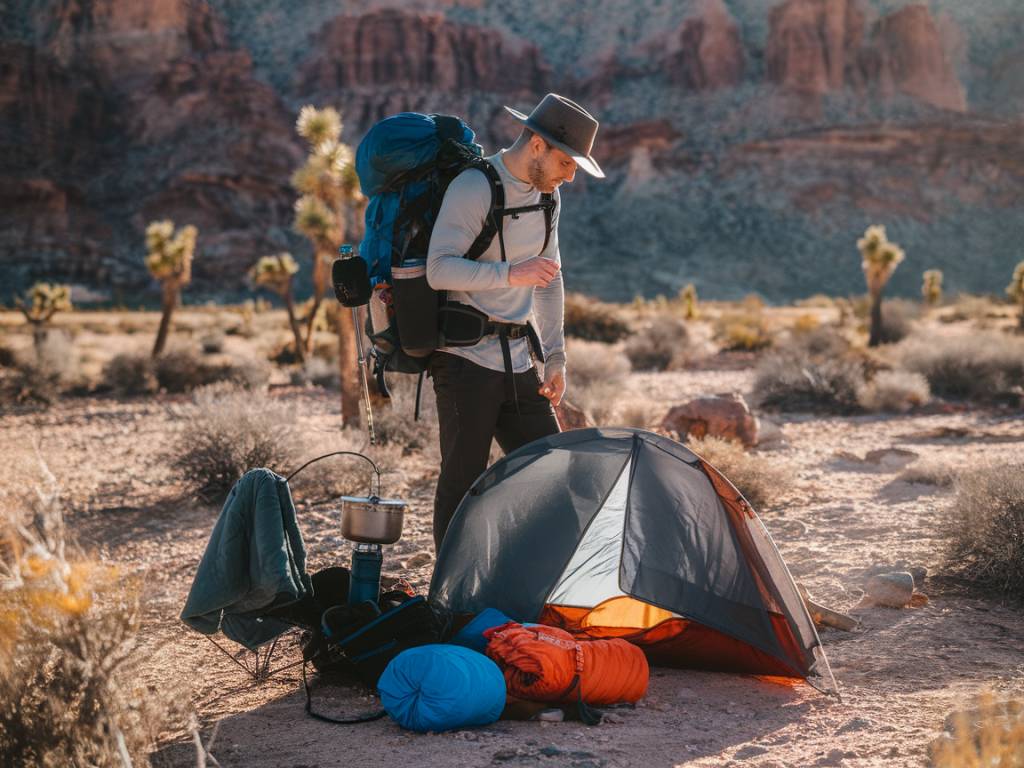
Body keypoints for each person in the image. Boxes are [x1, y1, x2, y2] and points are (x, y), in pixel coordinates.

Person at [426, 93, 605, 550]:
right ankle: (447, 595)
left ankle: (546, 586)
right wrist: (511, 273)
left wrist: (556, 357)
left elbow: (549, 280)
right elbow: (438, 269)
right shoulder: (476, 186)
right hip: (463, 361)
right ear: (538, 146)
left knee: (554, 472)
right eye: (567, 162)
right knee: (463, 484)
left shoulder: (549, 199)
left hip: (518, 360)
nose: (569, 176)